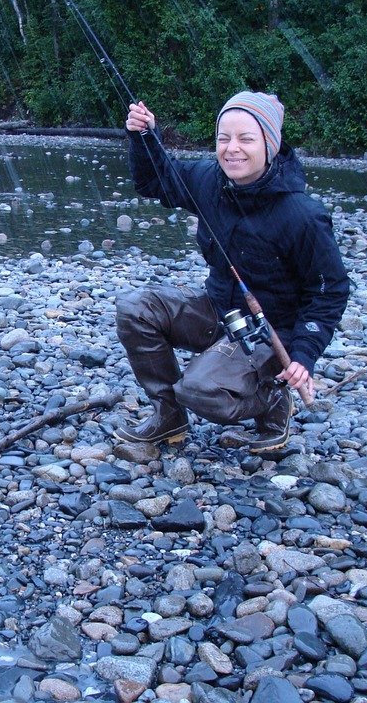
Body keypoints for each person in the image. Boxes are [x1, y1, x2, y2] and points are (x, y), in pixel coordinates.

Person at [115, 91, 350, 454]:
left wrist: (304, 354)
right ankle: (168, 417)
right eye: (223, 138)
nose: (232, 149)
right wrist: (144, 136)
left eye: (246, 139)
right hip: (219, 311)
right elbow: (155, 181)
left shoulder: (303, 215)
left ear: (270, 144)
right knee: (135, 307)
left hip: (273, 333)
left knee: (198, 390)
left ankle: (272, 400)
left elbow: (330, 291)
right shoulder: (210, 180)